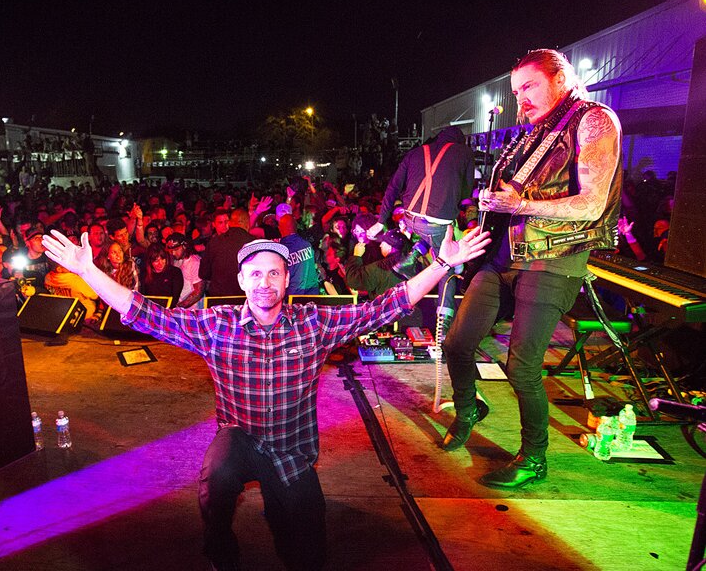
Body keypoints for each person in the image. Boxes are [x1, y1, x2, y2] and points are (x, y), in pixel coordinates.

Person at [42, 226, 490, 571]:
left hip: (292, 451)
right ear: (241, 279)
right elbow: (145, 313)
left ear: (287, 278)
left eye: (273, 273)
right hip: (238, 440)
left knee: (309, 550)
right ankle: (219, 546)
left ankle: (287, 518)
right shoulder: (216, 325)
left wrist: (442, 265)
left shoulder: (313, 323)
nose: (264, 282)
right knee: (216, 476)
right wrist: (87, 272)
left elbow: (384, 306)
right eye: (255, 273)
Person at [441, 49, 623, 489]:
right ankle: (469, 409)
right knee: (457, 343)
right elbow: (518, 194)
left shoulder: (595, 120)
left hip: (555, 260)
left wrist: (520, 205)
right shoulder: (537, 133)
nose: (521, 98)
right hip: (505, 256)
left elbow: (592, 204)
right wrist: (492, 203)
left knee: (522, 368)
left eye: (529, 86)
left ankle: (534, 457)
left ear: (561, 79)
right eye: (516, 91)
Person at [367, 125, 474, 330]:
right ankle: (443, 325)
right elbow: (466, 193)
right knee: (447, 267)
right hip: (437, 223)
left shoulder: (416, 152)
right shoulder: (464, 153)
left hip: (410, 218)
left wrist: (381, 221)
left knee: (428, 234)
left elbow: (393, 187)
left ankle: (411, 258)